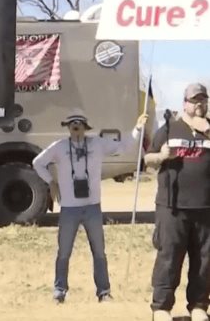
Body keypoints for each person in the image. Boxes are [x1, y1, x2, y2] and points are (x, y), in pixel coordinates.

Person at [32, 108, 147, 304]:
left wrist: (137, 128)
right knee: (64, 251)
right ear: (68, 127)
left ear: (85, 127)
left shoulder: (97, 144)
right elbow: (37, 162)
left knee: (99, 251)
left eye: (79, 123)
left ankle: (104, 292)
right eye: (72, 123)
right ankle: (59, 291)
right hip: (69, 208)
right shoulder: (59, 146)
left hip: (92, 207)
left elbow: (124, 146)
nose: (76, 126)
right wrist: (51, 181)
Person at [144, 83, 210, 321]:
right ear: (185, 103)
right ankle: (161, 307)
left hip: (205, 207)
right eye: (194, 100)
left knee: (204, 260)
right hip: (172, 207)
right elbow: (147, 159)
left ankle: (199, 305)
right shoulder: (170, 127)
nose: (199, 104)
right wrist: (162, 156)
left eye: (203, 100)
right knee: (169, 257)